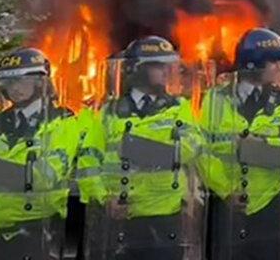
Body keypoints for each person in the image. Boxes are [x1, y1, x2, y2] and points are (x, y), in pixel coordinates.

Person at [76, 36, 203, 260]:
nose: (166, 71)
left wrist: (138, 149)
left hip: (166, 212)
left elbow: (192, 146)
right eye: (158, 65)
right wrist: (104, 198)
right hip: (121, 214)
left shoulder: (178, 107)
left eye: (167, 65)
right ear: (138, 69)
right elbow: (89, 159)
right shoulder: (110, 112)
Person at [200, 28, 280, 260]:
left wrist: (257, 145)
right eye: (272, 61)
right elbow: (203, 153)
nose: (278, 67)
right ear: (252, 63)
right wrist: (226, 190)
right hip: (225, 208)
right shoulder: (216, 100)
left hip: (269, 206)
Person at [0, 48, 79, 259]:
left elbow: (43, 178)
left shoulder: (64, 121)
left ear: (40, 82)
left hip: (41, 232)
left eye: (21, 80)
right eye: (9, 82)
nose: (14, 87)